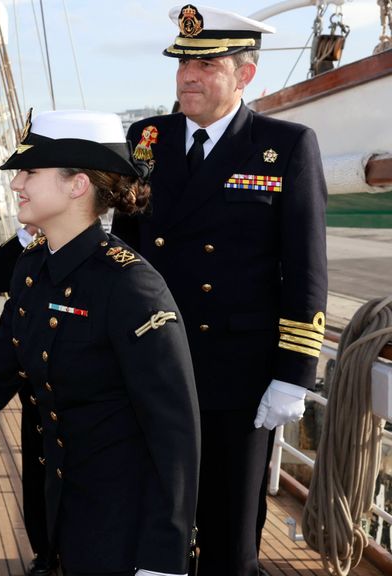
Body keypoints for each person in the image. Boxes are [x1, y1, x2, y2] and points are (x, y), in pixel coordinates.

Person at [0, 109, 201, 575]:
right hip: (60, 505)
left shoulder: (130, 287)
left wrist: (164, 560)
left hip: (123, 520)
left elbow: (174, 433)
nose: (16, 183)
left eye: (30, 171)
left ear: (77, 185)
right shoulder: (32, 269)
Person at [110, 6, 328, 575]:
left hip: (240, 374)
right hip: (153, 362)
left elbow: (306, 268)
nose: (187, 77)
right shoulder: (146, 139)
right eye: (183, 63)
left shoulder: (284, 145)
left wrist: (295, 373)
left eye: (206, 64)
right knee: (155, 519)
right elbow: (125, 253)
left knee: (231, 537)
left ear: (245, 75)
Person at [0, 222, 55, 576]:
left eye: (31, 176)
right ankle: (43, 552)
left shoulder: (112, 260)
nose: (18, 187)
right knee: (36, 471)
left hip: (85, 405)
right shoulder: (28, 249)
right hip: (36, 393)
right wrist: (27, 237)